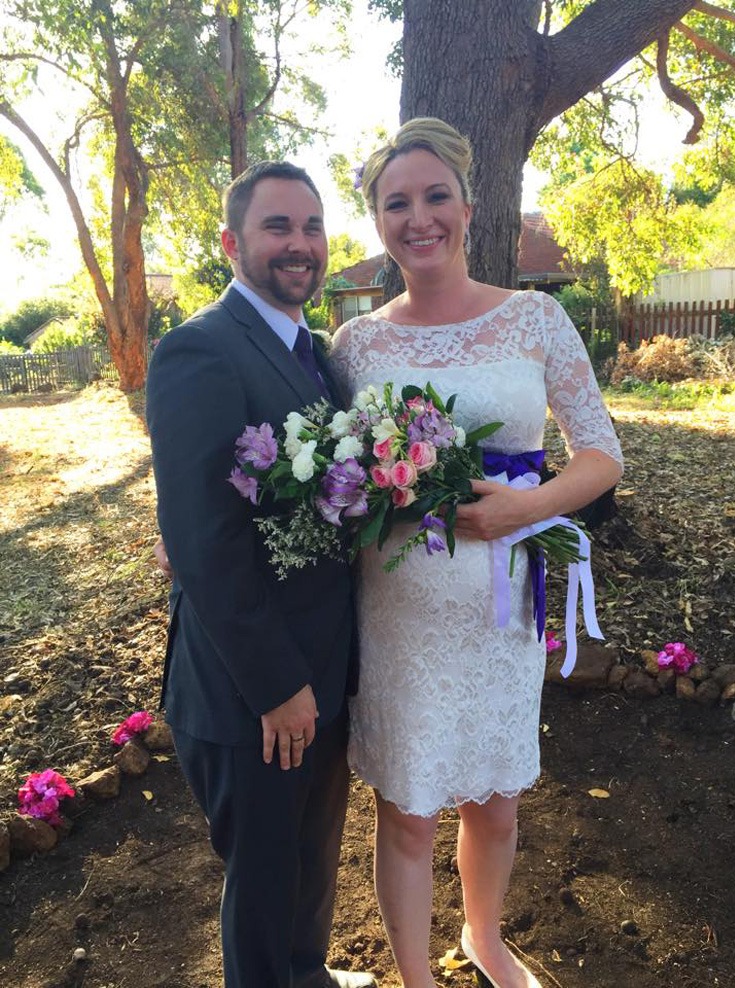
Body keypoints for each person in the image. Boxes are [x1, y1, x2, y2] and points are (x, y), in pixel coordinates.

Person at [329, 118, 624, 988]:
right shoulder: (358, 346)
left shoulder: (535, 317)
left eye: (433, 197)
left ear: (466, 204)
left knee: (496, 805)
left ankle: (484, 939)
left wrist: (525, 508)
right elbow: (324, 468)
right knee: (409, 814)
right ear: (377, 222)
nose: (417, 218)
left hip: (504, 608)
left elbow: (603, 450)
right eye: (395, 204)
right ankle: (416, 978)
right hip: (398, 615)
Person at [146, 161, 376, 988]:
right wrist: (277, 686)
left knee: (311, 867)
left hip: (322, 668)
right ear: (231, 242)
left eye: (311, 227)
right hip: (250, 690)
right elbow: (203, 541)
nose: (299, 245)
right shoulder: (199, 351)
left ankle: (306, 975)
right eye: (277, 226)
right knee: (264, 884)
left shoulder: (318, 354)